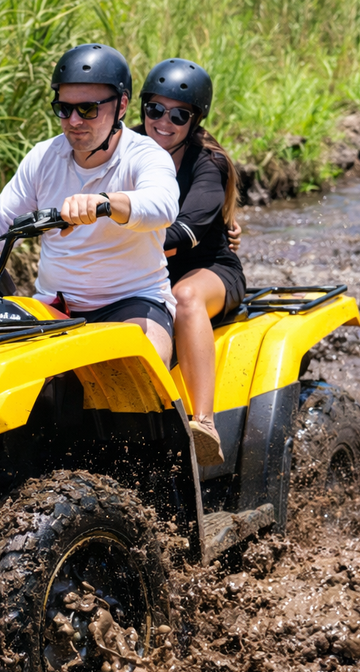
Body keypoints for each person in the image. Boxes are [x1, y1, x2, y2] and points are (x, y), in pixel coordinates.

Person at [0, 44, 180, 366]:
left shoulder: (146, 154)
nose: (73, 121)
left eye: (87, 109)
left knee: (142, 366)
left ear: (122, 105)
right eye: (63, 109)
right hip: (53, 306)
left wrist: (105, 203)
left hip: (133, 303)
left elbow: (162, 205)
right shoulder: (44, 157)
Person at [136, 58, 246, 466]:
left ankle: (204, 424)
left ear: (195, 121)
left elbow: (189, 228)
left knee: (184, 297)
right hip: (143, 272)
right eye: (155, 110)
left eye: (178, 115)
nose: (164, 121)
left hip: (208, 270)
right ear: (142, 108)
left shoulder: (208, 163)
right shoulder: (123, 147)